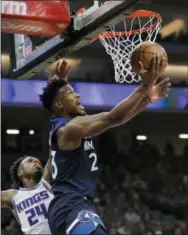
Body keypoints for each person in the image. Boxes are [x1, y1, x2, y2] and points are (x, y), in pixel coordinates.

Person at [40, 57, 170, 235]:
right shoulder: (69, 129)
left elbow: (118, 120)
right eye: (71, 93)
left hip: (72, 206)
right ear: (60, 105)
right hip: (69, 206)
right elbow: (112, 118)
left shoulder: (69, 127)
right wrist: (144, 85)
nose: (77, 95)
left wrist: (146, 100)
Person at [1, 156, 53, 234]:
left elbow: (54, 153)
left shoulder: (46, 183)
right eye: (30, 161)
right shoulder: (13, 195)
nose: (36, 161)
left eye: (39, 162)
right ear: (20, 172)